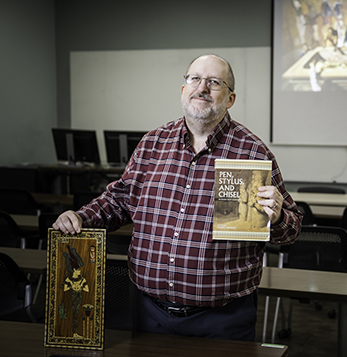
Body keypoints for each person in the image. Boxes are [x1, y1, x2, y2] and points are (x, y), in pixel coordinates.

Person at [53, 54, 302, 342]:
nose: (202, 88)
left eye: (214, 82)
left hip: (222, 320)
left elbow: (292, 232)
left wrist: (279, 217)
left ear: (230, 98)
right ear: (183, 89)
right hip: (149, 313)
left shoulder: (253, 152)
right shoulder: (152, 144)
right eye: (194, 78)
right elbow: (119, 200)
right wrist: (81, 217)